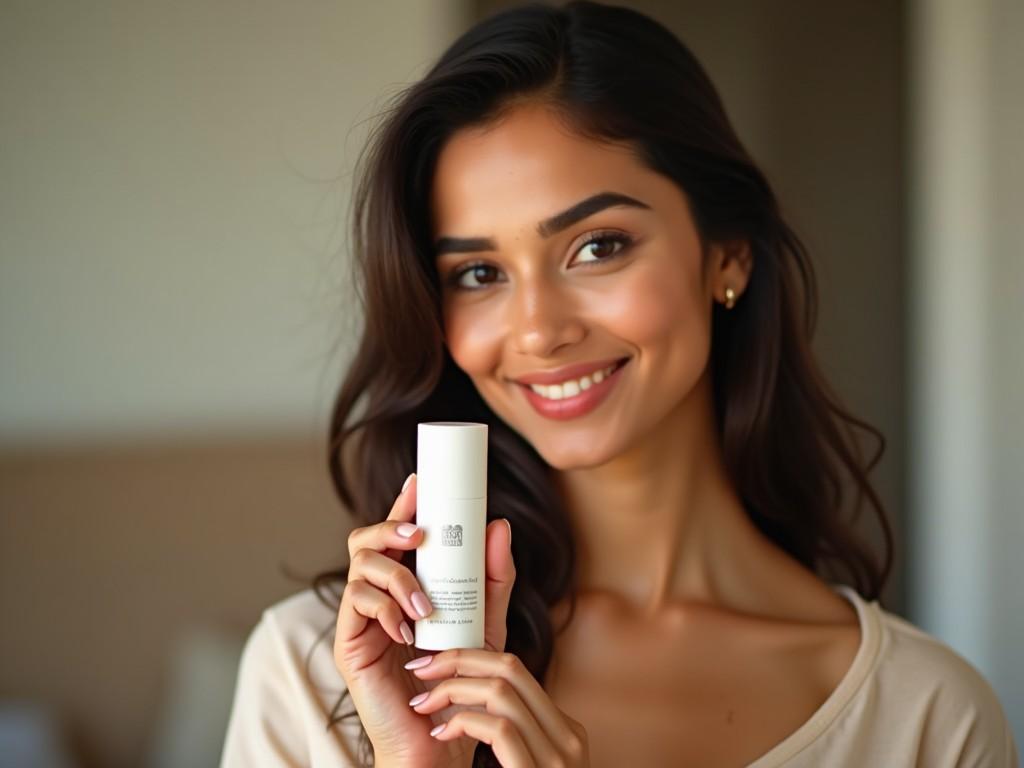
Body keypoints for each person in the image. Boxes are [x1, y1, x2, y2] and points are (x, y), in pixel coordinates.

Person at [220, 2, 1020, 766]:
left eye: (598, 247)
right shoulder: (320, 674)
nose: (537, 329)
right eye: (478, 272)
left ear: (728, 254)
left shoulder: (926, 720)